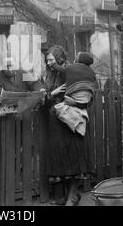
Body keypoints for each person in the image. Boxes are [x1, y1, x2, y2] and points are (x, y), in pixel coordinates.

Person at [42, 45, 95, 206]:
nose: (49, 63)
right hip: (56, 123)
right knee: (62, 159)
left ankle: (72, 196)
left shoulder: (74, 72)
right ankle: (67, 196)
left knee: (75, 158)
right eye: (47, 60)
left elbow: (88, 97)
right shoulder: (48, 76)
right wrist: (53, 93)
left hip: (73, 122)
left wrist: (75, 102)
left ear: (59, 58)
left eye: (51, 60)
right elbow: (44, 99)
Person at [54, 52, 97, 136]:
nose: (75, 58)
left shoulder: (72, 67)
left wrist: (53, 64)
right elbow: (93, 89)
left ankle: (76, 123)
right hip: (85, 100)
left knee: (57, 109)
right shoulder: (92, 72)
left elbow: (62, 70)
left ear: (79, 59)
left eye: (76, 57)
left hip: (74, 97)